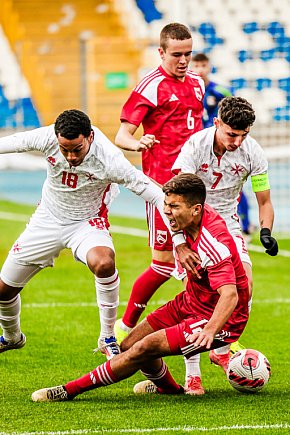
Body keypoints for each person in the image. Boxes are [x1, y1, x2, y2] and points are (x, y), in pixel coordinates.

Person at [31, 173, 249, 402]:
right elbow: (172, 220)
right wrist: (180, 243)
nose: (166, 211)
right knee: (128, 344)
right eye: (166, 204)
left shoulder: (214, 243)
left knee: (145, 347)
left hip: (221, 317)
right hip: (191, 301)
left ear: (195, 209)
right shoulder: (187, 217)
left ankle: (69, 390)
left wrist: (210, 330)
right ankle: (170, 389)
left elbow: (230, 295)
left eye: (174, 206)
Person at [0, 109, 170, 360]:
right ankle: (12, 337)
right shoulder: (48, 137)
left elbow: (154, 194)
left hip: (87, 222)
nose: (70, 156)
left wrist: (178, 238)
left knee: (103, 263)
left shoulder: (109, 159)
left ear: (90, 137)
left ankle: (107, 337)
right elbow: (14, 142)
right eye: (64, 149)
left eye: (76, 149)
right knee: (4, 291)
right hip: (47, 219)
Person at [114, 23, 205, 393]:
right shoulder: (150, 85)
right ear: (161, 53)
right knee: (173, 265)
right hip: (163, 192)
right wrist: (138, 144)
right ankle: (208, 349)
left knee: (178, 265)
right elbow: (121, 134)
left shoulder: (198, 84)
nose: (184, 61)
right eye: (176, 54)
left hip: (196, 188)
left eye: (188, 53)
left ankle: (127, 328)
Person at [172, 96, 278, 372]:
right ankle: (192, 374)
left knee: (245, 287)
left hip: (227, 225)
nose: (237, 142)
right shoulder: (195, 146)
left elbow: (264, 201)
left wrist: (266, 231)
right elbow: (174, 199)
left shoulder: (253, 152)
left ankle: (221, 349)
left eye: (244, 135)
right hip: (192, 223)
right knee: (196, 299)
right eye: (232, 134)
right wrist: (180, 242)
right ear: (217, 123)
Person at [192, 52, 251, 234]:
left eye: (203, 66)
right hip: (200, 148)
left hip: (223, 147)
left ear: (209, 67)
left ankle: (246, 225)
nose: (200, 70)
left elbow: (237, 111)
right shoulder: (188, 92)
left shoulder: (221, 91)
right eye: (196, 66)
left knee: (232, 183)